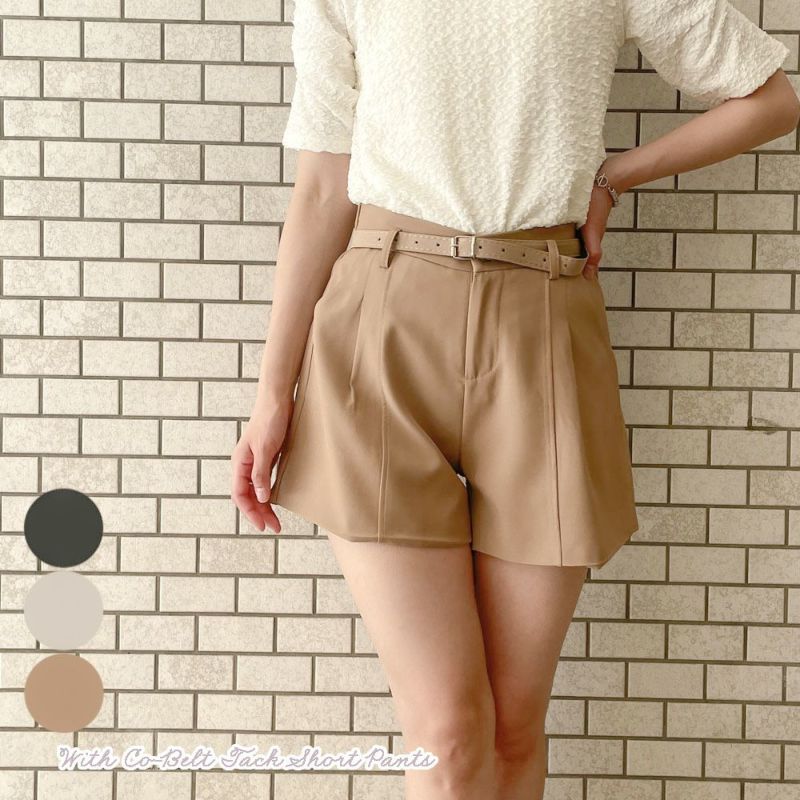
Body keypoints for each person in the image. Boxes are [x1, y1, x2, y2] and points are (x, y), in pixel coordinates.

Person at [231, 2, 799, 797]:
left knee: (512, 728)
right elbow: (324, 188)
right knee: (448, 733)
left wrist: (614, 176)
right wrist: (272, 394)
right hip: (381, 325)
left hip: (545, 320)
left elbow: (770, 99)